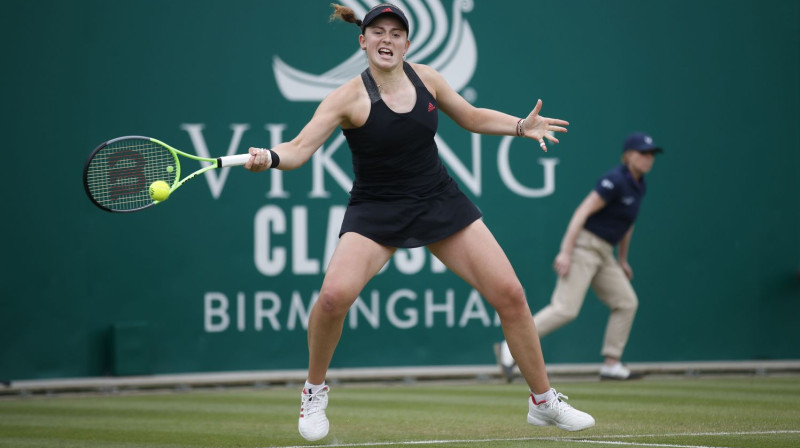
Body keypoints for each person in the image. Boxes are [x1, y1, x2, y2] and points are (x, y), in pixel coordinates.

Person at [245, 3, 595, 441]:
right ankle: (314, 392)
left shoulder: (426, 78)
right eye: (378, 33)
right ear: (363, 41)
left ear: (407, 43)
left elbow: (471, 117)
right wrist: (270, 158)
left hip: (437, 199)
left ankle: (543, 402)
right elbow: (297, 149)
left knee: (510, 294)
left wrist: (520, 127)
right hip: (376, 208)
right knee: (333, 299)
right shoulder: (345, 98)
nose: (386, 39)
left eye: (396, 33)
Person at [495, 132, 663, 382]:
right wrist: (566, 251)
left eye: (651, 154)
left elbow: (628, 225)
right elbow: (581, 213)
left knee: (626, 302)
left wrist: (622, 259)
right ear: (628, 156)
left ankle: (611, 364)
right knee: (565, 309)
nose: (648, 159)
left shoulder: (640, 186)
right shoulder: (614, 180)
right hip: (584, 247)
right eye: (643, 153)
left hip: (605, 253)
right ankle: (510, 347)